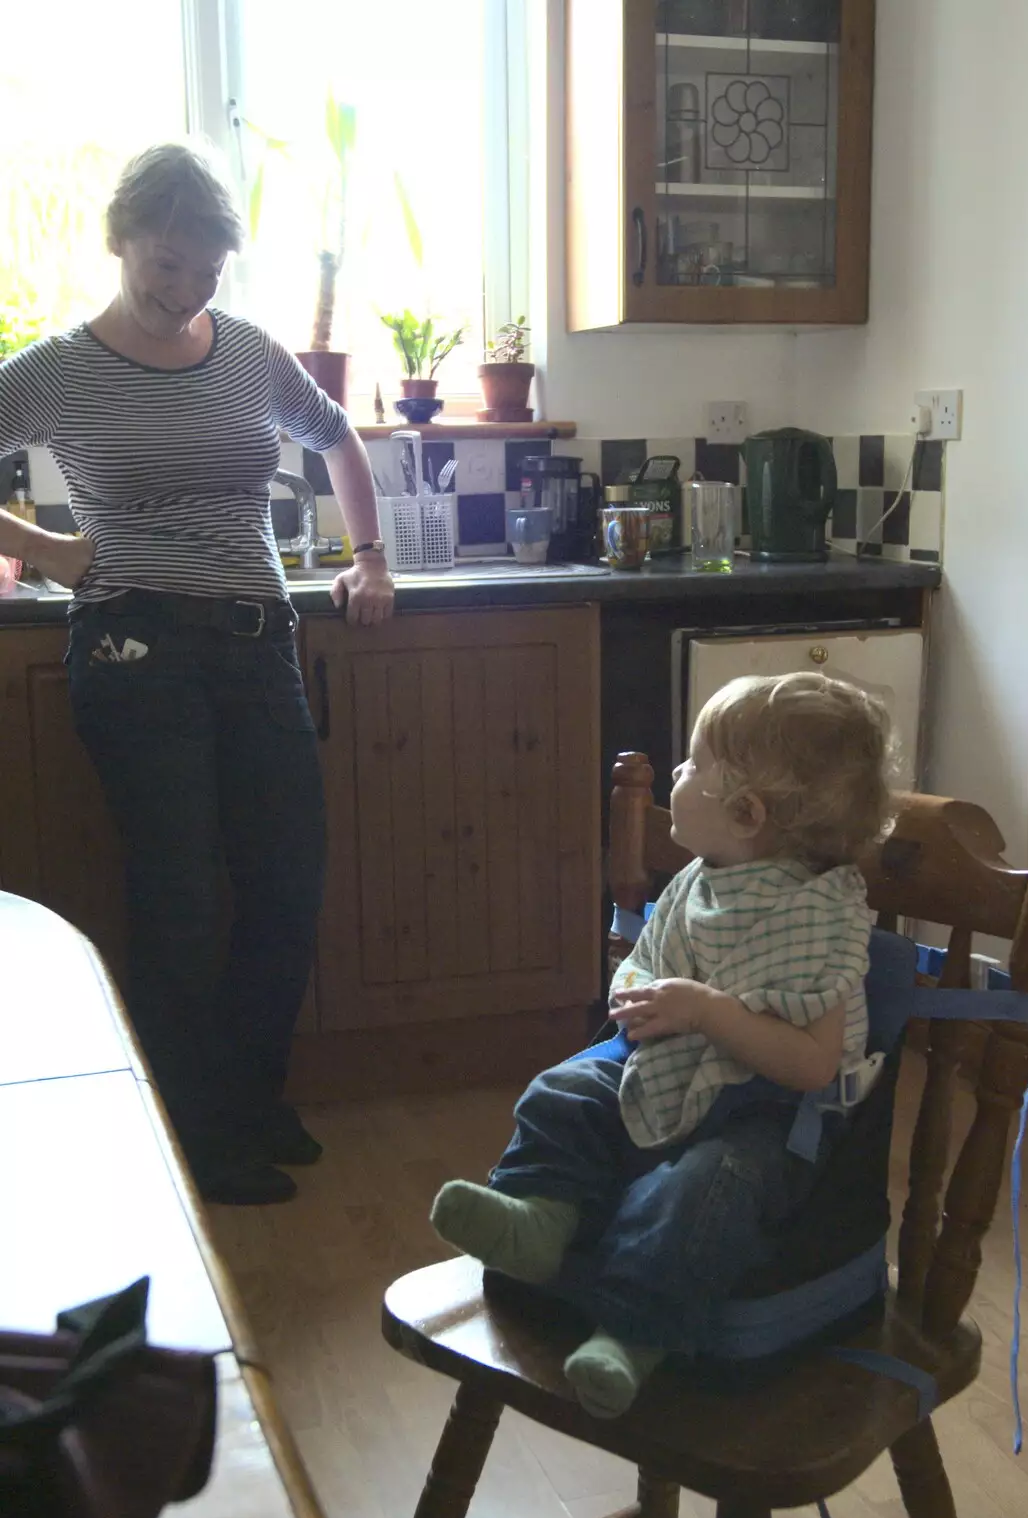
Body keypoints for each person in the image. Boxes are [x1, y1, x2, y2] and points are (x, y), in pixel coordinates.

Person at [0, 143, 395, 1205]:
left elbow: (337, 438)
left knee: (286, 884)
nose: (183, 291)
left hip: (257, 639)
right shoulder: (57, 367)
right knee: (176, 900)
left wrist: (370, 556)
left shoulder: (250, 352)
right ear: (121, 243)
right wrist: (45, 548)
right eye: (163, 265)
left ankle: (250, 1097)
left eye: (205, 270)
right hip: (134, 648)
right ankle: (195, 1133)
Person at [432, 672, 892, 1418]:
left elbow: (810, 1066)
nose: (674, 775)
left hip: (765, 1120)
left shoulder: (816, 917)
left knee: (704, 1187)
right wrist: (640, 990)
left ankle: (635, 1334)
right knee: (565, 1089)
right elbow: (651, 955)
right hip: (675, 1068)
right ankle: (540, 1215)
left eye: (691, 765)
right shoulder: (705, 879)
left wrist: (708, 1013)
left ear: (745, 813)